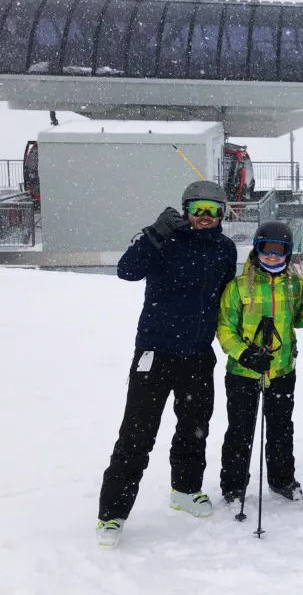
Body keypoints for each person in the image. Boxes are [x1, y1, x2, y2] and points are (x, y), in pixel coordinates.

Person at [96, 181, 237, 548]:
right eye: (198, 210)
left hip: (197, 355)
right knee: (137, 434)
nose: (205, 218)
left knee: (194, 427)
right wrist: (153, 235)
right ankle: (112, 514)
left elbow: (223, 294)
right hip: (154, 354)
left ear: (222, 214)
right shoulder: (164, 241)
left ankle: (186, 490)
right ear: (186, 211)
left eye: (213, 210)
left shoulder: (224, 248)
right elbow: (127, 270)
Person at [216, 221, 303, 505]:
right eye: (266, 249)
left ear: (288, 252)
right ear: (257, 250)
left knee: (281, 428)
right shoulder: (238, 286)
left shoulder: (294, 283)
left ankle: (281, 479)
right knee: (240, 429)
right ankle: (233, 484)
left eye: (279, 250)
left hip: (281, 369)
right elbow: (225, 328)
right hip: (243, 371)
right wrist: (244, 354)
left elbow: (301, 320)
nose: (272, 256)